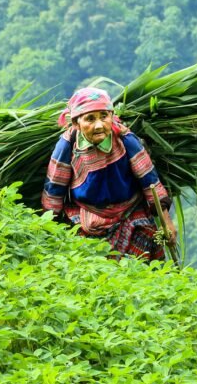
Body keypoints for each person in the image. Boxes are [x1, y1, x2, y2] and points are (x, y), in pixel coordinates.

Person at [41, 87, 176, 261]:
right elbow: (54, 190)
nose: (99, 125)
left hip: (130, 213)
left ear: (111, 116)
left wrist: (167, 223)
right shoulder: (67, 146)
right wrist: (46, 231)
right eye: (90, 119)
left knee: (145, 261)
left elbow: (150, 181)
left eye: (104, 116)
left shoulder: (126, 140)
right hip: (87, 218)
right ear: (76, 123)